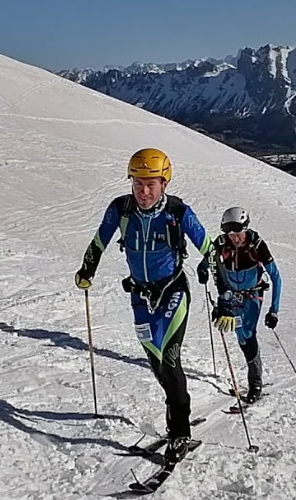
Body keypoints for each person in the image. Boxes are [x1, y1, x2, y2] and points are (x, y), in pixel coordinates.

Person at [74, 148, 212, 459]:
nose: (143, 191)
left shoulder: (178, 213)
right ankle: (175, 408)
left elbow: (210, 248)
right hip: (140, 296)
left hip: (173, 291)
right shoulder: (120, 210)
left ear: (165, 183)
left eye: (151, 184)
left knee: (171, 358)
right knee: (157, 365)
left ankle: (180, 432)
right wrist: (87, 270)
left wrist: (207, 266)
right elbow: (99, 242)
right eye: (137, 184)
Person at [202, 206, 283, 405]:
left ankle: (255, 382)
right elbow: (205, 264)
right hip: (230, 296)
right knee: (240, 334)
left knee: (246, 333)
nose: (235, 239)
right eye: (231, 235)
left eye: (238, 234)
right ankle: (253, 376)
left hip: (253, 294)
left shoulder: (256, 244)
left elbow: (276, 277)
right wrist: (203, 271)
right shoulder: (221, 243)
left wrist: (274, 311)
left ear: (245, 228)